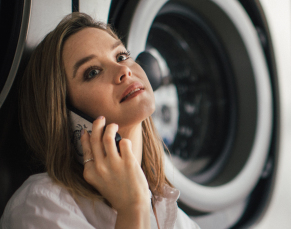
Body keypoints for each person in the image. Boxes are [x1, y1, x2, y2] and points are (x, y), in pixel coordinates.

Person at [0, 13, 199, 229]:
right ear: (65, 115)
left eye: (121, 56)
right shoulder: (39, 203)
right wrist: (133, 207)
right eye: (93, 72)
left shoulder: (175, 217)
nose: (124, 70)